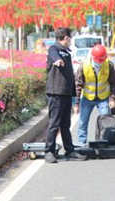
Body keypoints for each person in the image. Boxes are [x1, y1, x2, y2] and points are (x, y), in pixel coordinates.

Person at [44, 28, 87, 163]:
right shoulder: (54, 49)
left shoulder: (67, 52)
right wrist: (57, 61)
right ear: (66, 38)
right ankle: (49, 152)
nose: (71, 41)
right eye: (70, 38)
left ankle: (69, 150)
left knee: (65, 124)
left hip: (66, 92)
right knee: (54, 123)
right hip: (56, 92)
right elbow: (54, 56)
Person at [74, 44, 115, 146]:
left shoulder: (109, 65)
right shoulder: (84, 66)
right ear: (93, 58)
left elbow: (114, 83)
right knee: (83, 122)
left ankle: (105, 141)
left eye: (103, 59)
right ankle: (82, 143)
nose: (101, 62)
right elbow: (78, 85)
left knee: (106, 122)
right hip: (87, 98)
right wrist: (76, 104)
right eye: (99, 60)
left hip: (103, 98)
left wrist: (112, 99)